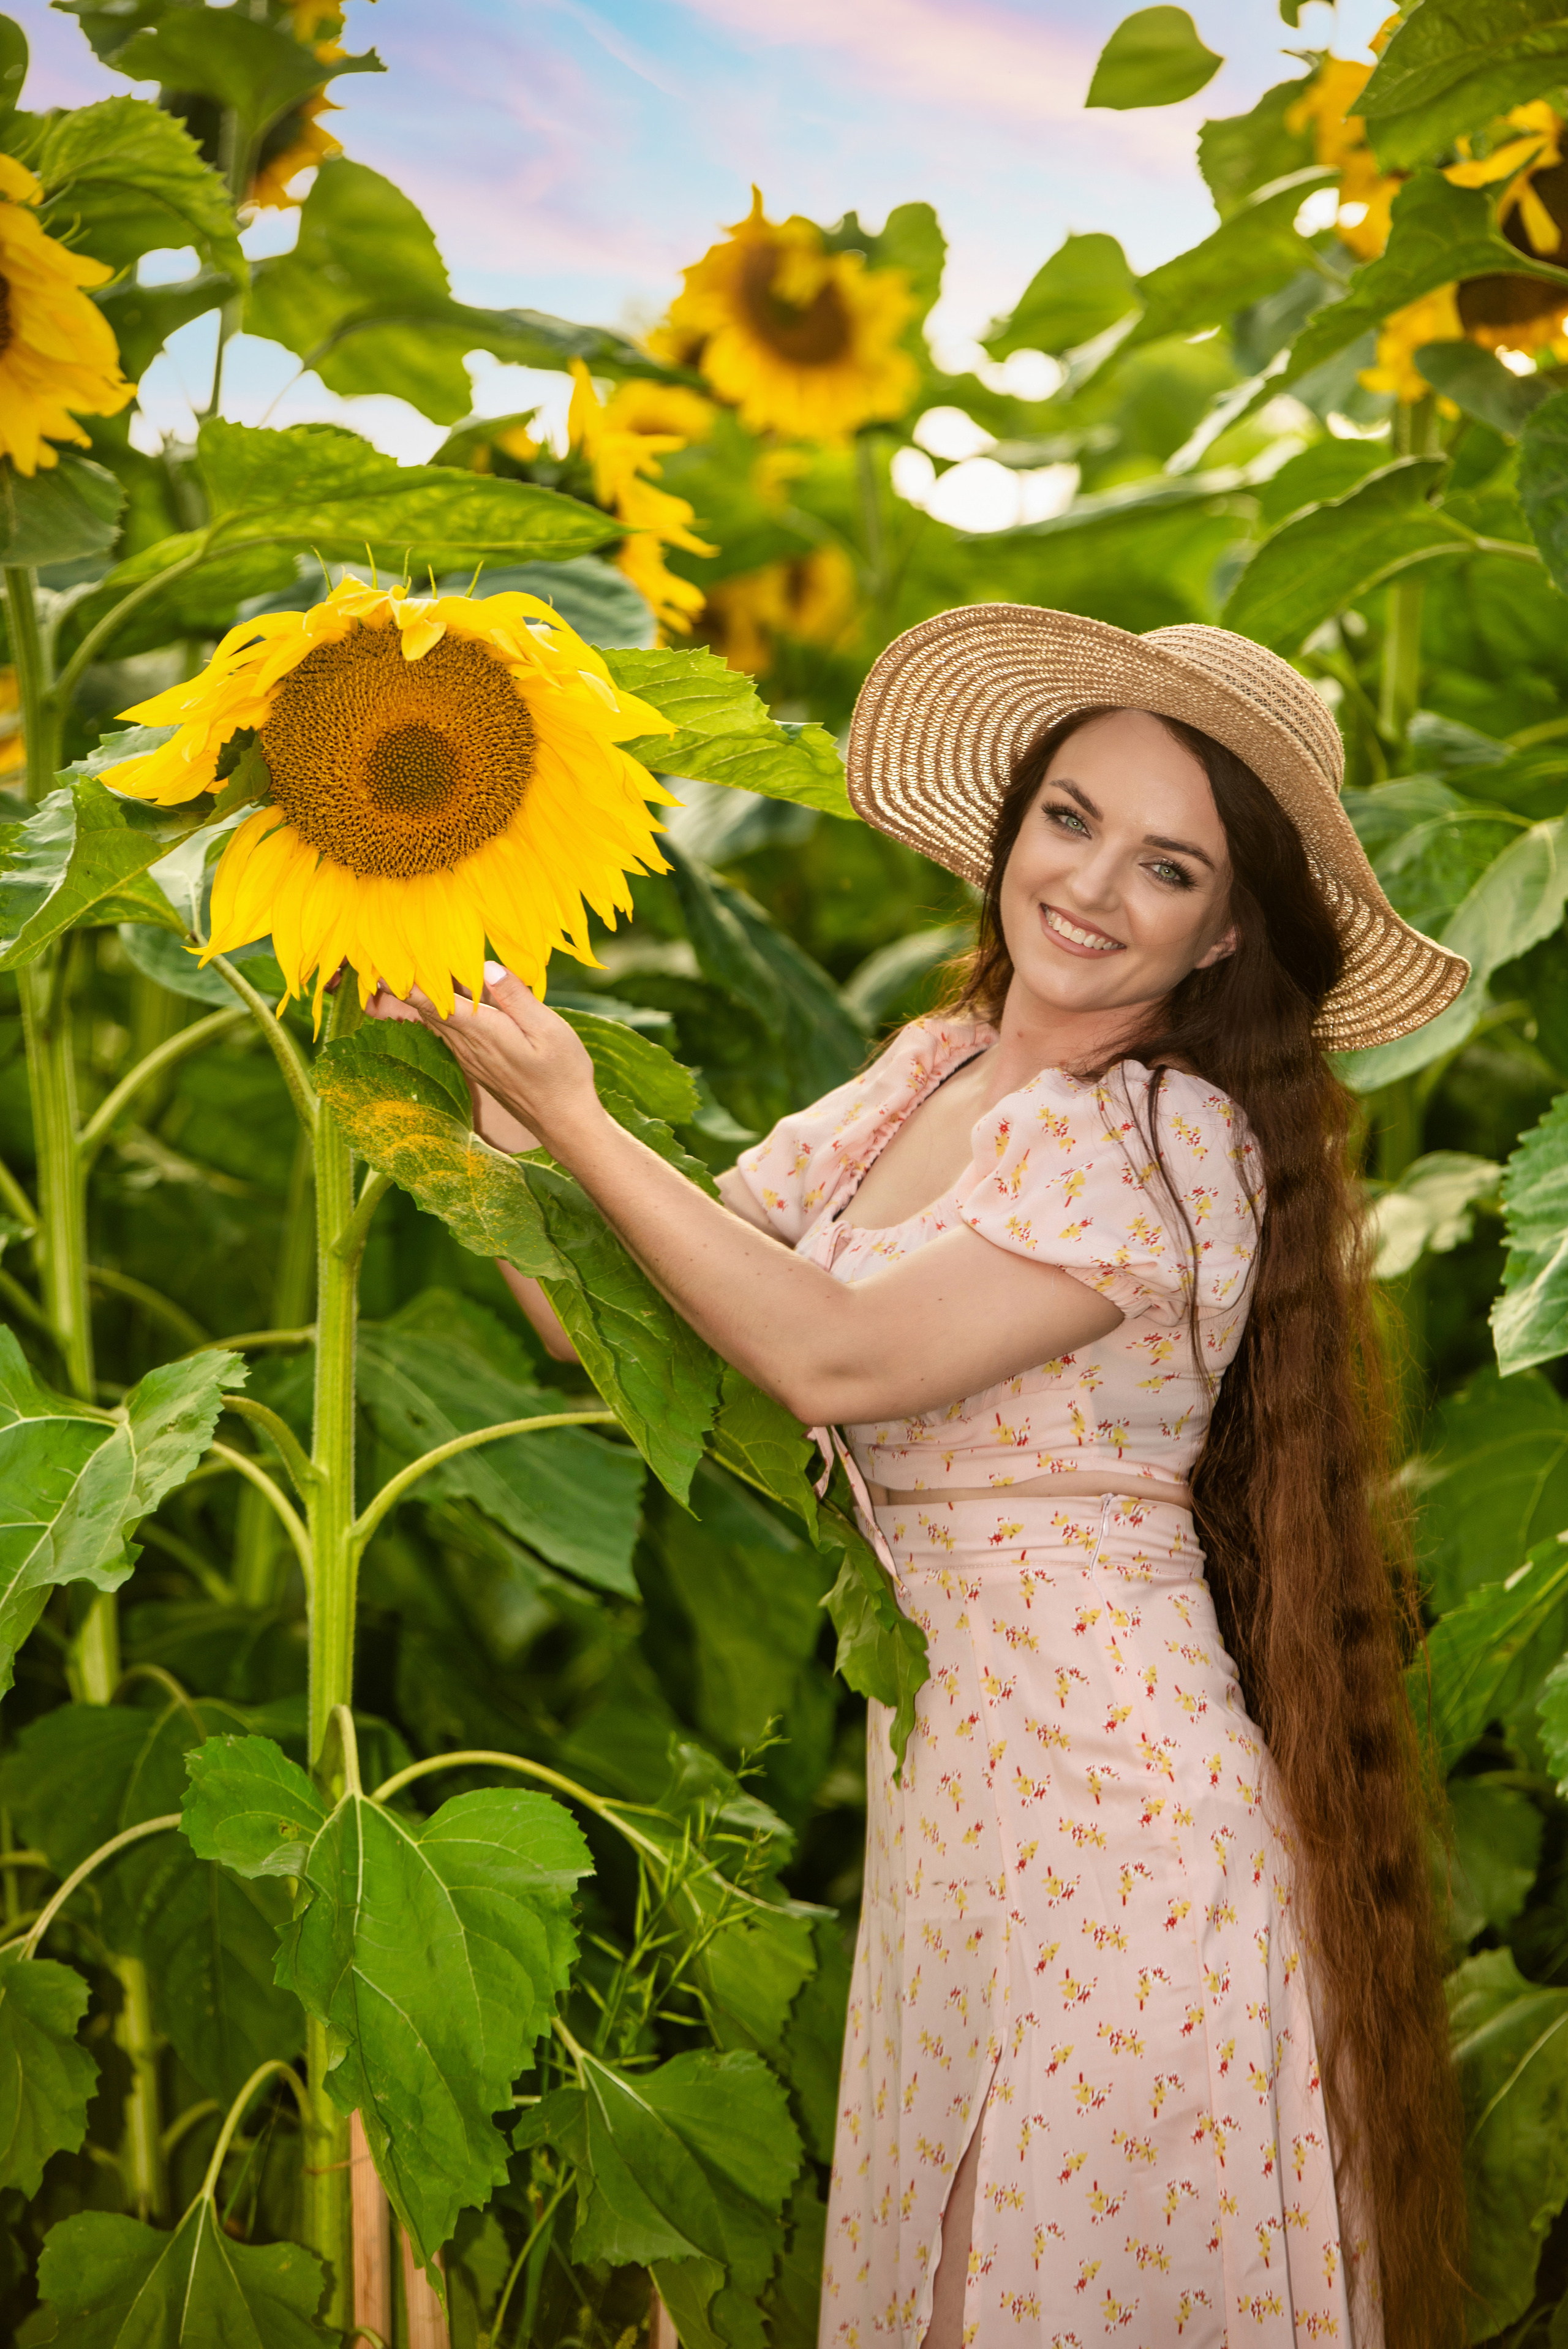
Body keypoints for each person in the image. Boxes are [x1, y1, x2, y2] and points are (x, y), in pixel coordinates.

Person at [374, 606, 1470, 2349]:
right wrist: (496, 1078)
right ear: (1014, 820)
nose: (1096, 886)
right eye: (1071, 817)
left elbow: (828, 1357)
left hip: (1124, 1849)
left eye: (1169, 865)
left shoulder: (1163, 1140)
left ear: (1229, 925)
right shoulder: (930, 1072)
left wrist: (582, 1115)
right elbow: (628, 1328)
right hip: (958, 1837)